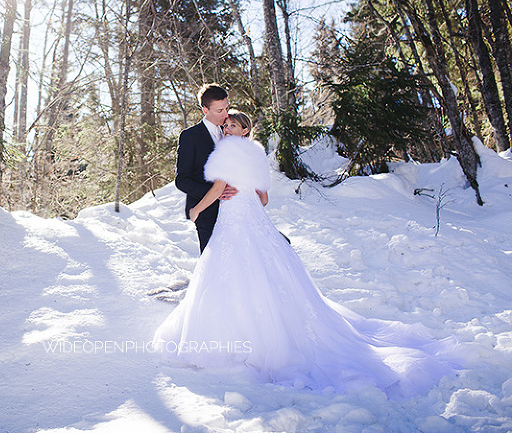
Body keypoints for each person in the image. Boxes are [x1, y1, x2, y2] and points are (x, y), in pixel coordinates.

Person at [154, 111, 459, 399]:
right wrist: (242, 193)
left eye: (232, 125)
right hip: (252, 217)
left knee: (229, 271)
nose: (226, 129)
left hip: (234, 219)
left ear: (244, 130)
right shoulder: (255, 153)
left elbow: (219, 186)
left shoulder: (227, 152)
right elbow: (263, 198)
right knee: (266, 269)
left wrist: (197, 208)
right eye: (225, 126)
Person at [175, 83, 232, 253]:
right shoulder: (190, 136)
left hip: (235, 210)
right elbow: (182, 180)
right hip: (206, 211)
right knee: (214, 263)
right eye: (219, 111)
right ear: (205, 110)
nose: (226, 114)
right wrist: (215, 193)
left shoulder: (231, 130)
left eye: (227, 108)